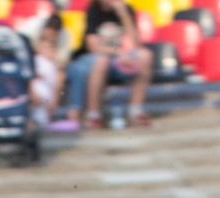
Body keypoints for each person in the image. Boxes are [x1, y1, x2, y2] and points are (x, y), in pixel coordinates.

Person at [60, 0, 152, 130]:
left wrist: (124, 16)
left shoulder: (126, 9)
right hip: (97, 60)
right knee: (102, 60)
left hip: (119, 61)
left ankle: (135, 112)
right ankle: (94, 115)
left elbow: (136, 44)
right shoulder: (94, 10)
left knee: (145, 56)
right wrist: (118, 52)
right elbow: (92, 46)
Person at [33, 13, 67, 129]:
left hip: (47, 92)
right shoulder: (34, 58)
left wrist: (55, 98)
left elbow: (59, 77)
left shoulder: (56, 61)